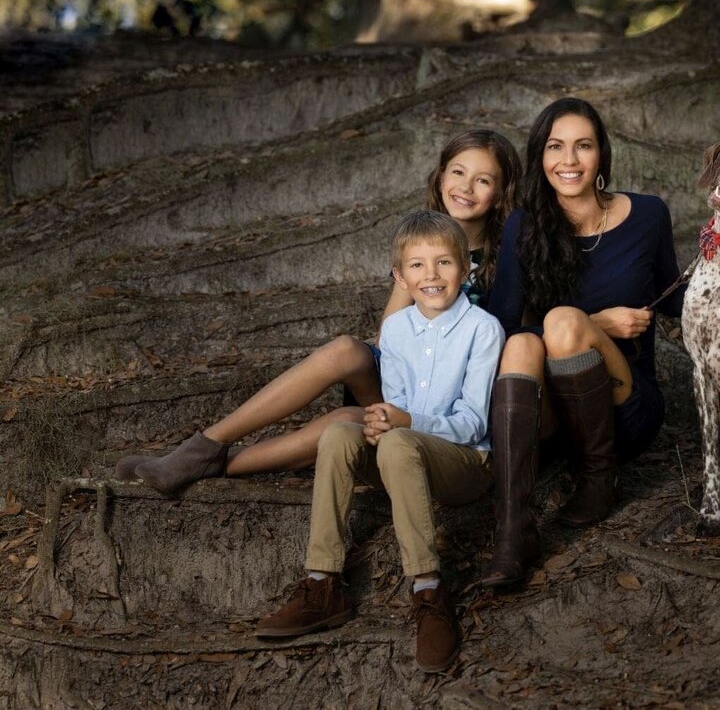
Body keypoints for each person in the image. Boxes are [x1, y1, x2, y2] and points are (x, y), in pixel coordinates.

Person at [116, 130, 520, 494]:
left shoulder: (505, 256)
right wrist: (391, 398)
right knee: (346, 349)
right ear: (440, 177)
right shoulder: (420, 241)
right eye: (458, 172)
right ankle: (206, 444)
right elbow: (390, 332)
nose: (465, 187)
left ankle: (213, 466)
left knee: (345, 419)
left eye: (483, 180)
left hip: (450, 405)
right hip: (405, 378)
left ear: (501, 193)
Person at [253, 210, 504, 674]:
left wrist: (403, 422)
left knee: (398, 444)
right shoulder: (395, 330)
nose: (431, 275)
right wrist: (382, 423)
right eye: (417, 265)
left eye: (444, 263)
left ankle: (428, 589)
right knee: (340, 434)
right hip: (402, 454)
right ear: (399, 276)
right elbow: (397, 404)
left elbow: (471, 423)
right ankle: (322, 582)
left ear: (466, 269)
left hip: (466, 464)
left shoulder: (483, 330)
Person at [482, 97, 684, 589]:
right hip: (556, 419)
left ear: (601, 156)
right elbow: (501, 325)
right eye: (555, 147)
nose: (569, 161)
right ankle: (514, 533)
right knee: (532, 341)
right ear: (539, 156)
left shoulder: (649, 216)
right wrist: (600, 323)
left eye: (583, 146)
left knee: (563, 321)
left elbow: (679, 303)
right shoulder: (525, 226)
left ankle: (600, 479)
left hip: (627, 406)